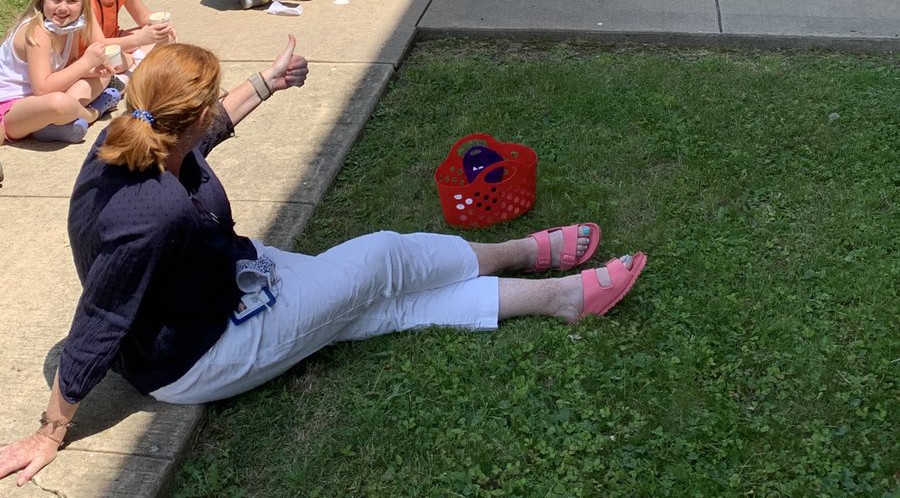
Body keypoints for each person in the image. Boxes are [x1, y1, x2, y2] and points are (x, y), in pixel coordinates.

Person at [0, 35, 646, 486]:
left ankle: (558, 296)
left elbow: (203, 137)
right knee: (381, 261)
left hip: (229, 284)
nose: (214, 112)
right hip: (206, 352)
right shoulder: (149, 212)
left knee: (376, 305)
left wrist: (265, 83)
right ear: (185, 118)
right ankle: (526, 254)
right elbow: (102, 318)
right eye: (211, 102)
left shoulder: (131, 138)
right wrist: (50, 431)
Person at [0, 0, 118, 145]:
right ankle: (91, 114)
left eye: (72, 1)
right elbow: (42, 89)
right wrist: (86, 63)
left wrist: (93, 71)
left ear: (83, 4)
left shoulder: (69, 26)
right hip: (11, 107)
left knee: (103, 77)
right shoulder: (38, 31)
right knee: (60, 103)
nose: (62, 8)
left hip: (40, 102)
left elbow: (68, 67)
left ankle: (50, 126)